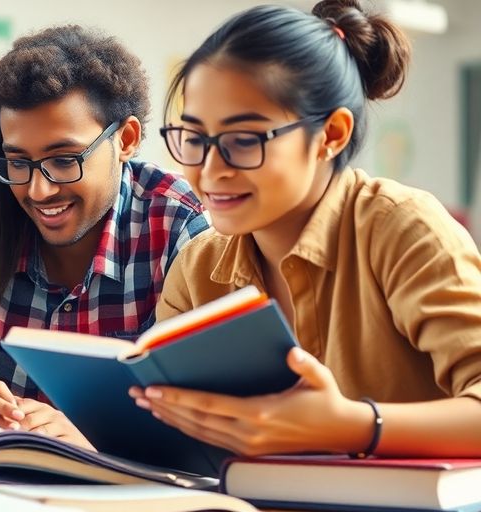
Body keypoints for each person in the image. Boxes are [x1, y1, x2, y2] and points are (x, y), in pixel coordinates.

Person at [131, 0, 481, 457]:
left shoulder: (403, 227)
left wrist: (356, 426)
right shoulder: (197, 266)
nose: (210, 170)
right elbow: (168, 433)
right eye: (194, 139)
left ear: (332, 135)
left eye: (243, 140)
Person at [0, 25, 209, 448]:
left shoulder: (178, 230)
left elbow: (207, 418)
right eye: (18, 162)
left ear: (126, 139)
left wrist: (94, 438)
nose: (38, 191)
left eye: (64, 159)